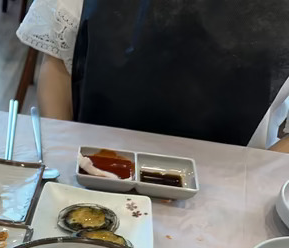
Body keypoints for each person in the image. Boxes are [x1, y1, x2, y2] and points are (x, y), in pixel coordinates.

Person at [17, 0, 289, 151]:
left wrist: (253, 178)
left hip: (232, 185)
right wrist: (63, 151)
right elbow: (58, 65)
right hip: (94, 164)